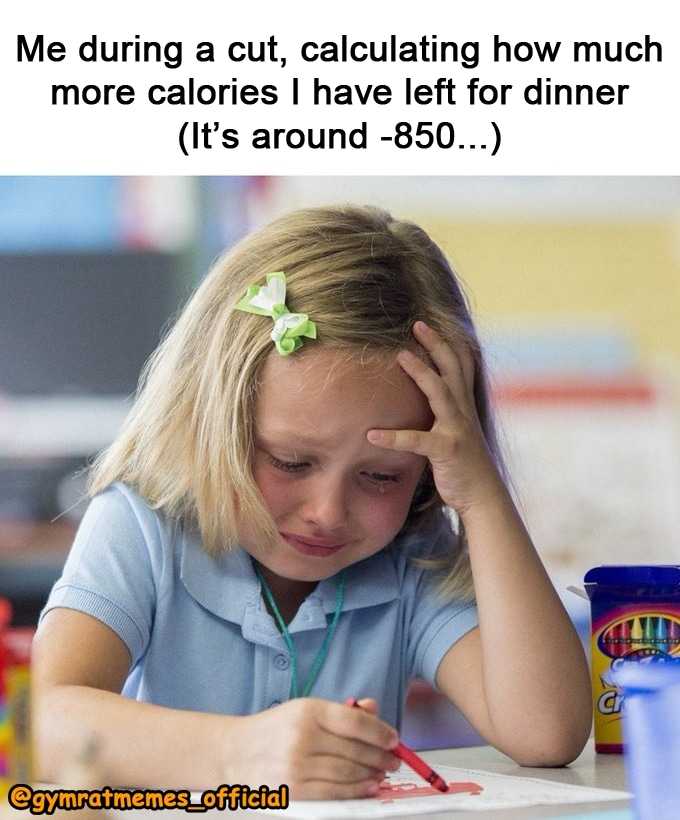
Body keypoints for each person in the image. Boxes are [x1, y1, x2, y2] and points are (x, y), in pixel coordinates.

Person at [33, 205, 592, 799]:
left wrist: (482, 496)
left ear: (429, 473)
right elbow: (39, 724)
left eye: (381, 476)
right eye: (290, 462)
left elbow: (547, 734)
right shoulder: (142, 524)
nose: (327, 512)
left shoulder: (413, 552)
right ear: (209, 423)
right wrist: (239, 753)